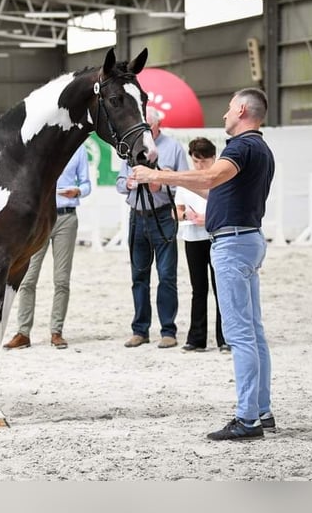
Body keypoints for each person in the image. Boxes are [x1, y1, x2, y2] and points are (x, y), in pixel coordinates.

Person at [131, 88, 275, 441]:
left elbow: (210, 178)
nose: (225, 115)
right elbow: (218, 190)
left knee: (240, 334)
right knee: (253, 332)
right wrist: (167, 173)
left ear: (242, 110)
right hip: (249, 238)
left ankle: (247, 419)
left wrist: (157, 177)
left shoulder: (241, 147)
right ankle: (261, 409)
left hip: (233, 243)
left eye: (228, 109)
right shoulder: (261, 149)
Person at [3, 144, 92, 351]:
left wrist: (78, 190)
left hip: (66, 217)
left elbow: (87, 184)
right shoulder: (40, 147)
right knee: (28, 278)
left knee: (61, 279)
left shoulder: (78, 151)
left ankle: (56, 331)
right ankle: (23, 332)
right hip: (40, 217)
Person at [116, 106, 188, 349]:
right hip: (137, 216)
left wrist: (163, 185)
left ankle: (168, 330)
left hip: (162, 215)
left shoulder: (173, 147)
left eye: (148, 125)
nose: (143, 129)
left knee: (167, 275)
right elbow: (118, 182)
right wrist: (127, 183)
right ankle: (140, 330)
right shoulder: (131, 148)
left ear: (157, 125)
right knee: (139, 276)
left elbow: (184, 182)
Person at [175, 137, 228, 354]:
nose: (199, 166)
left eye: (204, 162)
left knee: (220, 289)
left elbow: (227, 207)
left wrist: (207, 218)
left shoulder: (221, 177)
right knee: (198, 289)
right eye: (196, 162)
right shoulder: (187, 180)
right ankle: (197, 338)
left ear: (213, 158)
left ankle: (225, 337)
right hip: (193, 237)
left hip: (216, 236)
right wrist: (185, 214)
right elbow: (176, 211)